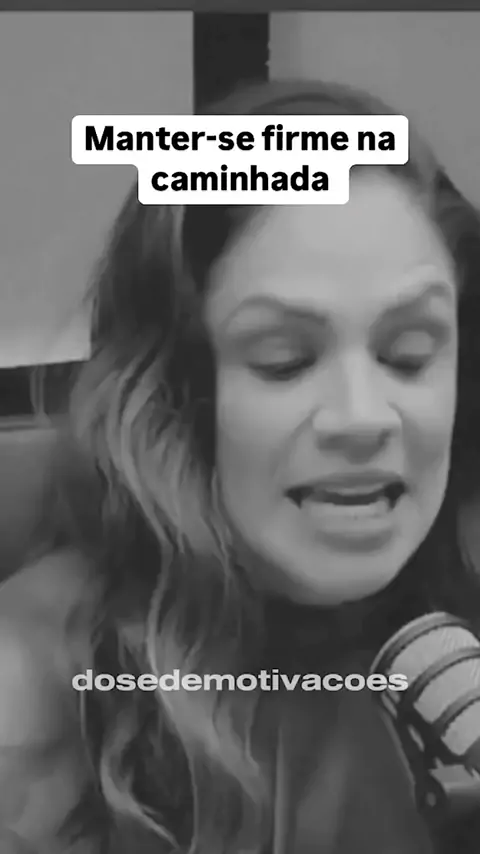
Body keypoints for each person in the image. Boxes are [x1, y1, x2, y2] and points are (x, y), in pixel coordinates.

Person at [2, 78, 480, 854]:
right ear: (169, 398)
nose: (363, 417)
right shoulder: (29, 688)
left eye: (409, 354)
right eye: (285, 360)